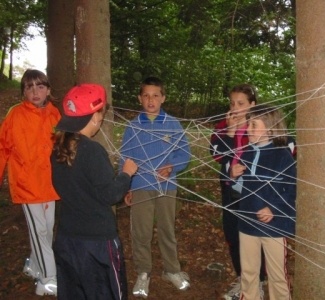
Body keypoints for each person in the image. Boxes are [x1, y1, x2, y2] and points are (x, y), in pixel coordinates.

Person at [51, 83, 138, 300]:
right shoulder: (93, 151)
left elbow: (67, 187)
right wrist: (126, 174)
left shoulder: (57, 148)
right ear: (96, 116)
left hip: (67, 239)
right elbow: (110, 195)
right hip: (97, 244)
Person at [120, 76, 191, 298]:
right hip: (141, 185)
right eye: (146, 96)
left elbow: (185, 153)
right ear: (140, 98)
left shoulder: (172, 124)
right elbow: (125, 157)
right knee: (140, 231)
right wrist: (127, 186)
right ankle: (143, 272)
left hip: (166, 186)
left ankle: (172, 269)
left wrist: (172, 167)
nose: (151, 100)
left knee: (167, 230)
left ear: (163, 98)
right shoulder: (132, 126)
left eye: (156, 96)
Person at [0, 69, 60, 296]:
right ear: (23, 91)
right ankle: (49, 279)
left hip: (50, 184)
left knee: (46, 231)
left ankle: (34, 266)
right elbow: (2, 148)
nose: (35, 91)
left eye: (40, 86)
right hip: (27, 184)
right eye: (29, 87)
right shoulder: (15, 115)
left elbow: (63, 148)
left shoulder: (55, 114)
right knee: (38, 231)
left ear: (48, 90)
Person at [230, 104, 296, 300]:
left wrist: (274, 208)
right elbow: (238, 190)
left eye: (253, 125)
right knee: (248, 273)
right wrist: (232, 176)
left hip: (274, 226)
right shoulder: (247, 152)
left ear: (270, 127)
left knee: (277, 275)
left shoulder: (282, 155)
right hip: (247, 224)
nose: (248, 129)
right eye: (248, 124)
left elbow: (291, 189)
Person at [209, 83, 267, 300]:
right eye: (232, 103)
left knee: (254, 237)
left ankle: (258, 283)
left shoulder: (259, 127)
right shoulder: (223, 126)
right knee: (233, 236)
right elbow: (216, 155)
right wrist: (231, 133)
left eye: (241, 103)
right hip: (230, 191)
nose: (235, 108)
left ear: (252, 105)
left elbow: (268, 155)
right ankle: (242, 279)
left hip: (254, 193)